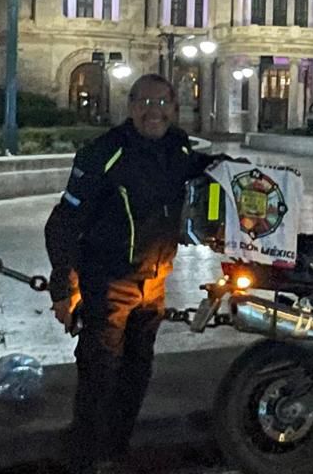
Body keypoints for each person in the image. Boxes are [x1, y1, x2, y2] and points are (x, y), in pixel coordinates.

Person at [44, 74, 220, 473]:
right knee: (99, 372)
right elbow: (64, 222)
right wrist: (61, 286)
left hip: (154, 281)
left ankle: (115, 450)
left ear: (174, 108)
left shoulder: (179, 149)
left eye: (161, 103)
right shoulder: (105, 152)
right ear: (131, 107)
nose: (152, 112)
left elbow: (209, 174)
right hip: (108, 280)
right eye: (143, 102)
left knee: (137, 370)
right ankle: (85, 457)